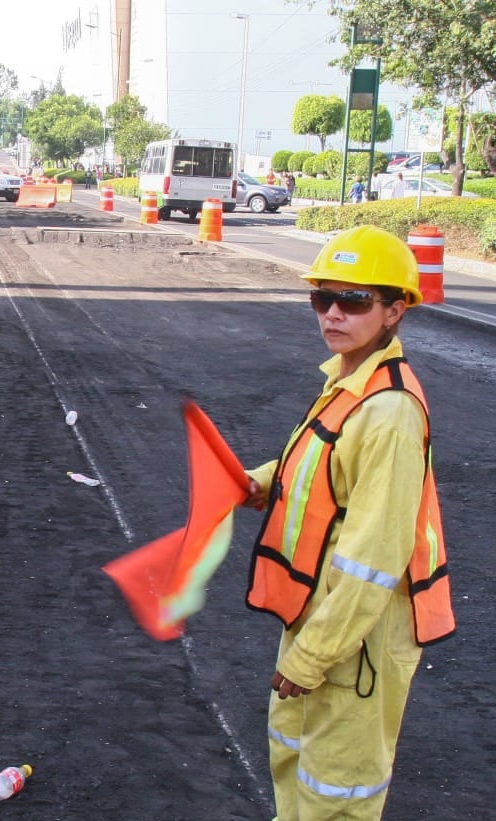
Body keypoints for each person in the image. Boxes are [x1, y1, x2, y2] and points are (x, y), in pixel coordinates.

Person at [243, 225, 455, 821]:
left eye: (355, 300)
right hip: (317, 612)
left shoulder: (389, 413)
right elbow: (320, 460)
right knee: (295, 763)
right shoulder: (348, 382)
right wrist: (262, 480)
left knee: (337, 795)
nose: (334, 313)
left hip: (356, 637)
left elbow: (374, 560)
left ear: (394, 310)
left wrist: (311, 657)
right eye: (323, 298)